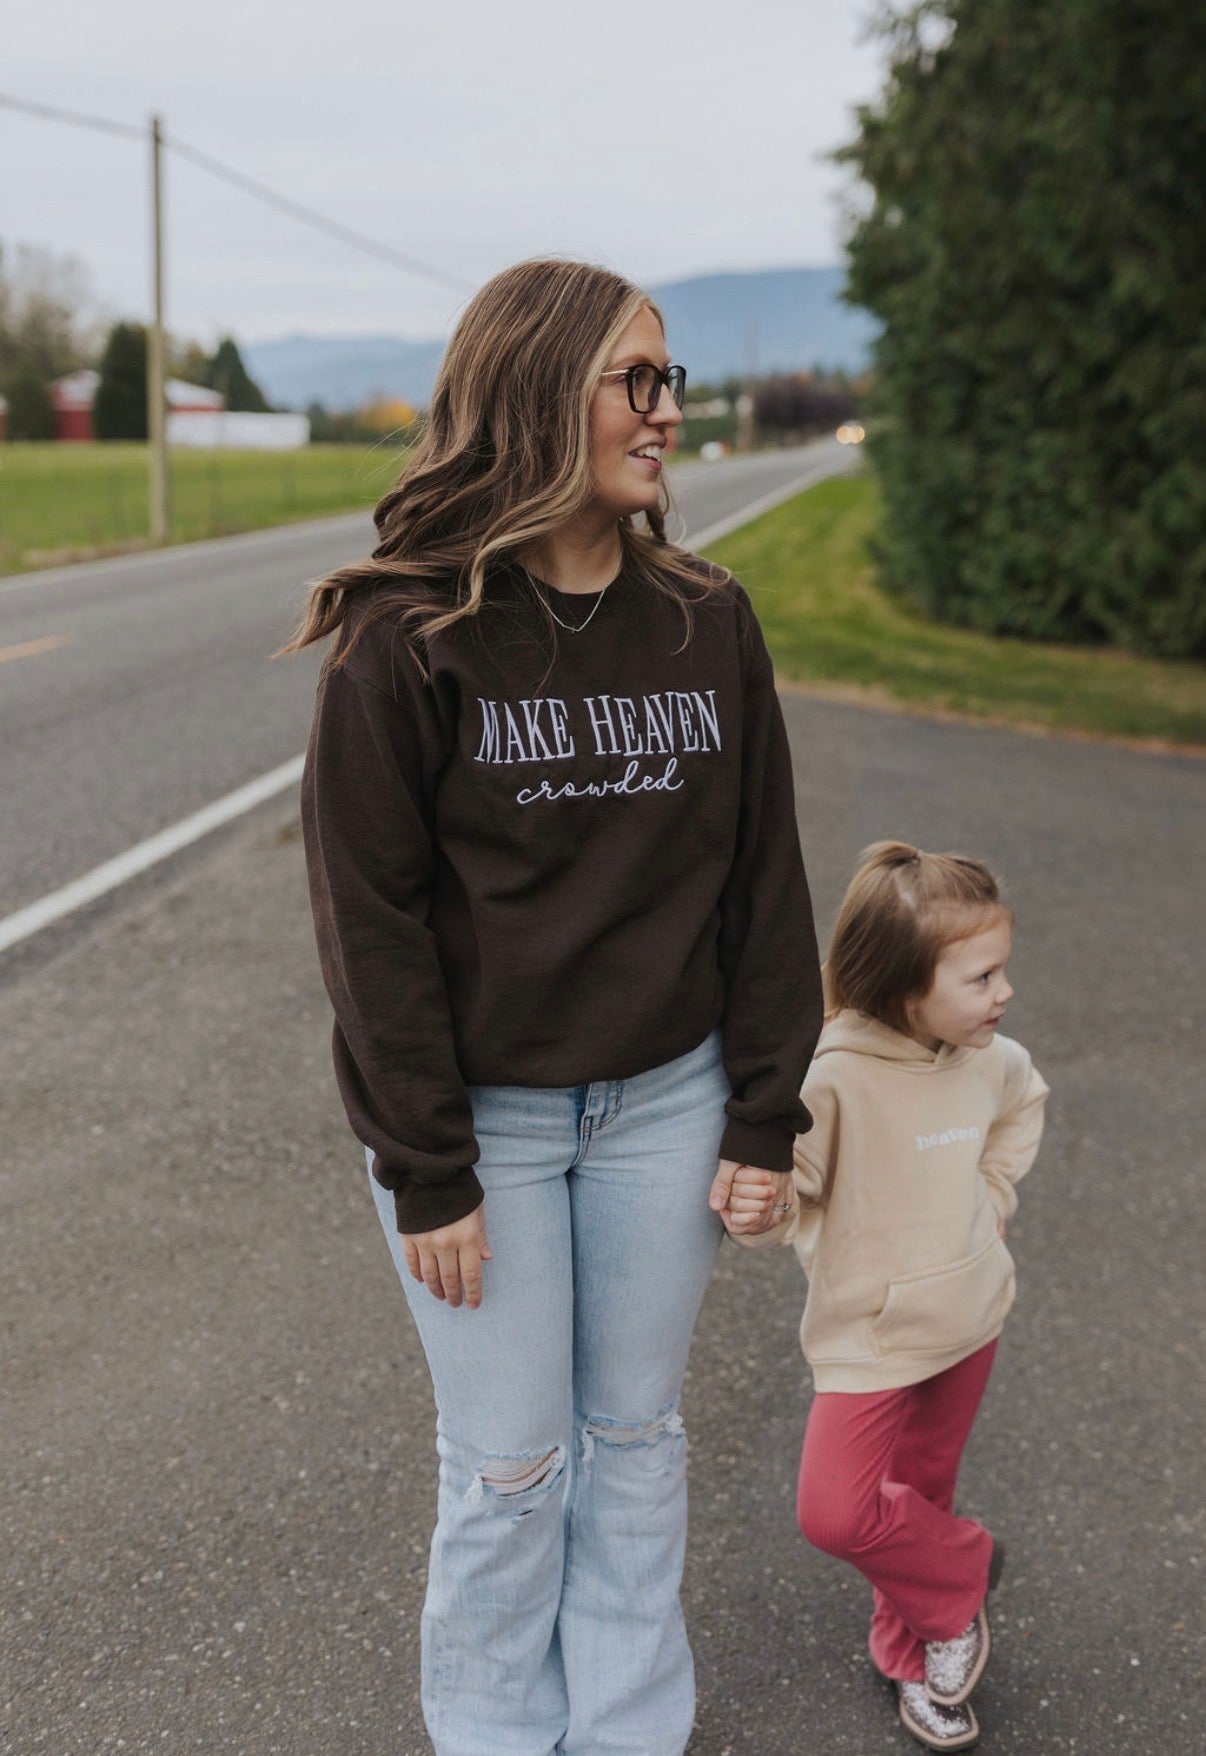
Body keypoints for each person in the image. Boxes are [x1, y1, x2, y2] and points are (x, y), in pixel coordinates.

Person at [287, 258, 824, 1756]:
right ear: (538, 396)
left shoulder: (706, 618)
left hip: (669, 1106)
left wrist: (764, 1115)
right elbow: (371, 928)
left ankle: (632, 1728)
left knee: (635, 1443)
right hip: (487, 1134)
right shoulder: (408, 636)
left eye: (668, 379)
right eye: (634, 382)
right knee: (510, 1467)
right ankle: (496, 1733)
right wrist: (428, 1164)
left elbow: (763, 881)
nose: (668, 411)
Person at [732, 841, 1048, 1752]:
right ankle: (963, 1573)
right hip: (870, 1341)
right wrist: (761, 1206)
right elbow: (786, 1198)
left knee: (921, 1494)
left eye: (1002, 971)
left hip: (970, 1319)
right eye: (982, 977)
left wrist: (992, 1196)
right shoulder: (831, 1078)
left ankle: (914, 1656)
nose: (1004, 992)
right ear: (905, 987)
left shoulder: (988, 1057)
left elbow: (1023, 1102)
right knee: (839, 1511)